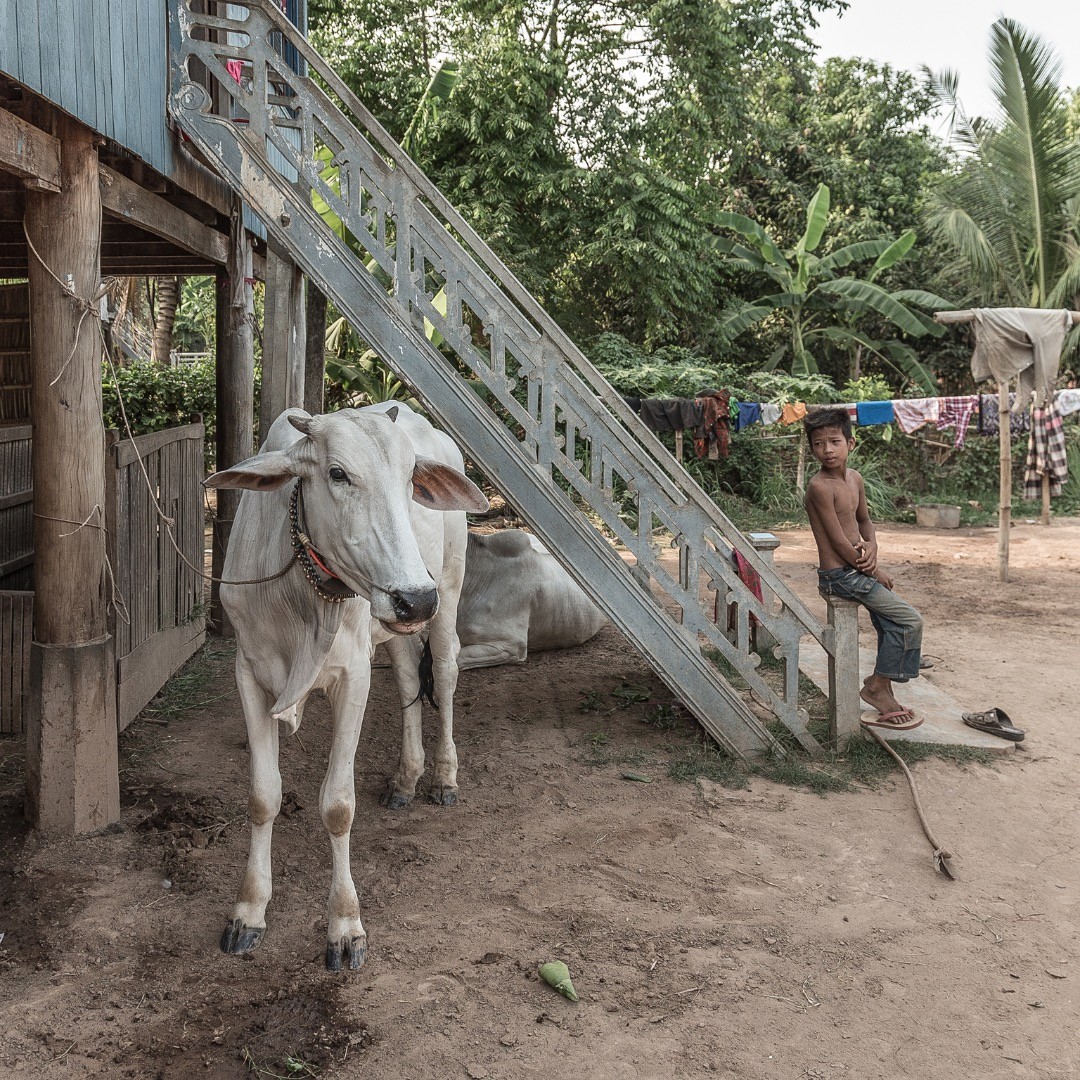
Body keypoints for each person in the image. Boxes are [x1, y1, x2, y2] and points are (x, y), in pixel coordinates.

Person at [803, 407, 924, 731]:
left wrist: (873, 548)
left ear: (850, 443)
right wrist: (875, 573)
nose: (827, 450)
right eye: (818, 444)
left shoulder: (855, 479)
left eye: (834, 441)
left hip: (857, 570)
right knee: (910, 620)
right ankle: (876, 687)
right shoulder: (820, 487)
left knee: (892, 621)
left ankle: (881, 685)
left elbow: (863, 521)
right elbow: (840, 543)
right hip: (839, 575)